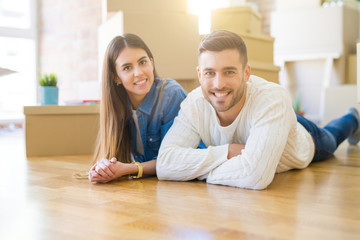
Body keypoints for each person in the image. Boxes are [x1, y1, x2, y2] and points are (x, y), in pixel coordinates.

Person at [156, 30, 360, 190]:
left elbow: (255, 176)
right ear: (200, 74)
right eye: (210, 73)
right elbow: (165, 164)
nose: (218, 84)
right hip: (268, 124)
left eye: (229, 72)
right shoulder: (194, 103)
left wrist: (192, 172)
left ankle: (355, 117)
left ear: (246, 73)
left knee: (333, 136)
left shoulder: (272, 97)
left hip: (303, 138)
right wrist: (227, 152)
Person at [88, 33, 187, 183]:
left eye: (142, 62)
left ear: (151, 63)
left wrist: (131, 169)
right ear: (116, 77)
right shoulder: (118, 104)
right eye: (127, 68)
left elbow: (175, 160)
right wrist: (103, 170)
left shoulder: (171, 94)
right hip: (147, 188)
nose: (139, 73)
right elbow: (114, 157)